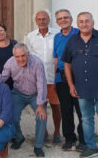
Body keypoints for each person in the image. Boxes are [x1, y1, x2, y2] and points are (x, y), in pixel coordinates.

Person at [62, 12, 98, 158]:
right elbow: (67, 64)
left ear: (93, 22)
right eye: (81, 21)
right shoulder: (72, 41)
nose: (84, 24)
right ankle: (92, 148)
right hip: (82, 89)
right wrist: (70, 85)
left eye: (87, 21)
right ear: (77, 23)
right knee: (86, 120)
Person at [0, 43, 47, 157]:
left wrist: (40, 105)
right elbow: (3, 77)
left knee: (42, 117)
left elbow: (41, 84)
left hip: (35, 94)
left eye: (23, 55)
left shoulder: (37, 63)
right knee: (12, 116)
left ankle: (38, 146)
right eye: (17, 56)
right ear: (14, 55)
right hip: (18, 93)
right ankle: (19, 138)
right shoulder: (10, 62)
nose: (20, 59)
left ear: (28, 54)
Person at [26, 10, 61, 143]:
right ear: (36, 21)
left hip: (54, 77)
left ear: (49, 19)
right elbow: (28, 56)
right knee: (40, 106)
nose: (42, 21)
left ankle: (57, 132)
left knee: (56, 106)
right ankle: (44, 131)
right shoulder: (30, 36)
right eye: (39, 19)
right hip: (38, 78)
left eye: (44, 18)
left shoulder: (57, 34)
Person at [54, 9, 85, 151]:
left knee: (82, 109)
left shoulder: (80, 33)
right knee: (66, 110)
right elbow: (56, 58)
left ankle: (84, 139)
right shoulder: (57, 37)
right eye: (60, 18)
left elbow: (96, 36)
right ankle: (69, 138)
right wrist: (54, 77)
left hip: (78, 76)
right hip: (61, 78)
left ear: (71, 20)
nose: (63, 20)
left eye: (66, 17)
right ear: (57, 22)